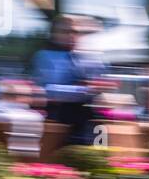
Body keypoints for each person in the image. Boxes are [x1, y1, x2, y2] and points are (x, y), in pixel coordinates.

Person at [31, 15, 104, 144]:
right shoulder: (46, 56)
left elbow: (100, 77)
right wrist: (86, 89)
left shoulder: (86, 56)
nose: (71, 35)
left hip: (87, 118)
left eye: (75, 32)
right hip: (59, 119)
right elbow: (51, 90)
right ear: (54, 34)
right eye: (66, 31)